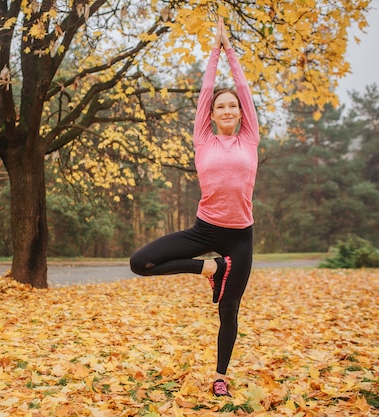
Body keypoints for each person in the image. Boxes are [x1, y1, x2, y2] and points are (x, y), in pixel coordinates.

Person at [129, 17, 260, 398]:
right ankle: (207, 268)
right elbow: (205, 90)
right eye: (220, 106)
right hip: (204, 230)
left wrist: (230, 52)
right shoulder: (203, 139)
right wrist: (214, 53)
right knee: (140, 262)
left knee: (229, 309)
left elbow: (244, 90)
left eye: (232, 106)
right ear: (212, 114)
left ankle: (221, 375)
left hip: (241, 237)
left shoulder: (249, 139)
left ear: (240, 113)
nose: (226, 110)